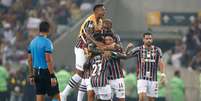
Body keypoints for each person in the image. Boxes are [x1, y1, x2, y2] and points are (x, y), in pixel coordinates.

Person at [61, 4, 106, 101]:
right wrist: (97, 43)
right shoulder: (91, 20)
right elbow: (88, 34)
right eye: (102, 10)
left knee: (86, 74)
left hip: (90, 48)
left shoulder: (100, 21)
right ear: (96, 11)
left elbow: (98, 35)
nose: (104, 12)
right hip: (82, 47)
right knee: (80, 73)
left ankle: (79, 99)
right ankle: (64, 93)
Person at [117, 32, 166, 101]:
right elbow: (125, 57)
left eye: (150, 38)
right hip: (142, 77)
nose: (149, 40)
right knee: (142, 97)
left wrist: (163, 74)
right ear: (143, 40)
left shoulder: (157, 50)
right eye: (147, 38)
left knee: (151, 99)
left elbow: (160, 62)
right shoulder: (138, 49)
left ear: (152, 40)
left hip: (153, 78)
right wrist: (128, 48)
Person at [27, 21, 60, 101]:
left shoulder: (32, 42)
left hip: (36, 73)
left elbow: (29, 60)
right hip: (46, 72)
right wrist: (52, 76)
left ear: (39, 30)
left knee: (39, 96)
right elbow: (48, 60)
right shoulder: (47, 42)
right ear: (48, 30)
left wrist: (31, 75)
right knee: (56, 96)